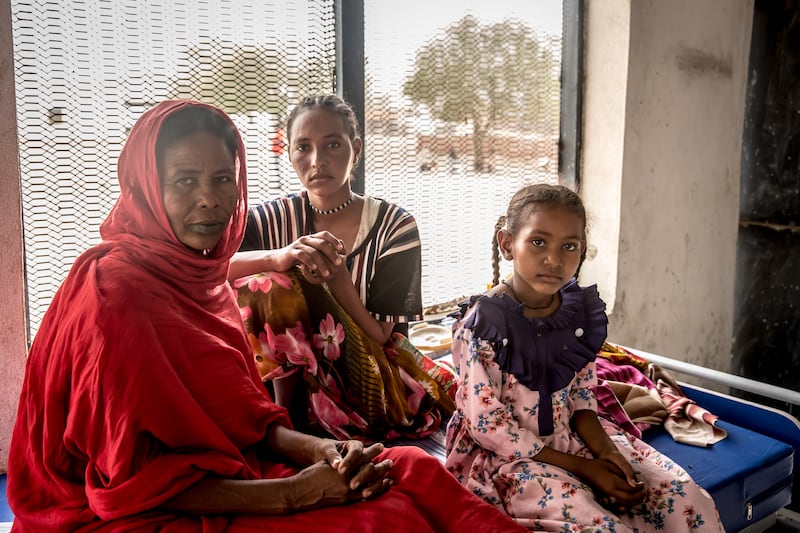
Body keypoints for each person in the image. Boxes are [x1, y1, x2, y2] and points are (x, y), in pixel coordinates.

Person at [6, 100, 528, 533]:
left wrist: (327, 449)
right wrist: (294, 492)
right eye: (184, 181)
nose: (210, 200)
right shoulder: (115, 297)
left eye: (221, 179)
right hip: (136, 502)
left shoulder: (203, 280)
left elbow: (247, 419)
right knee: (384, 519)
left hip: (342, 391)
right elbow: (128, 483)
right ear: (145, 185)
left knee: (408, 465)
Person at [444, 183, 725, 532]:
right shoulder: (482, 324)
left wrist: (608, 456)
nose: (554, 259)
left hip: (571, 439)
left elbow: (581, 401)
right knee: (603, 527)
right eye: (538, 242)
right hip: (506, 458)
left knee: (684, 500)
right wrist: (588, 470)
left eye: (569, 246)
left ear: (582, 251)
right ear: (507, 244)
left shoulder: (578, 318)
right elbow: (488, 426)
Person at [229, 94, 455, 442]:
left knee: (279, 287)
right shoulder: (266, 221)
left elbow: (382, 336)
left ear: (357, 149)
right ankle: (285, 419)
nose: (317, 160)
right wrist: (276, 257)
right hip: (278, 388)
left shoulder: (394, 226)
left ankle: (292, 430)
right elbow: (208, 271)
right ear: (289, 153)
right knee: (267, 282)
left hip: (370, 383)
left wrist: (339, 282)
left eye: (332, 144)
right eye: (303, 147)